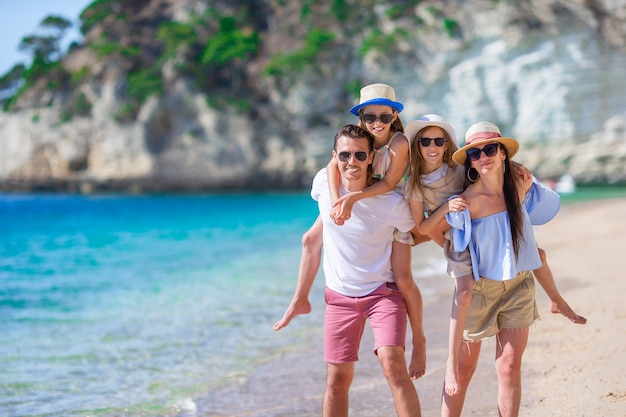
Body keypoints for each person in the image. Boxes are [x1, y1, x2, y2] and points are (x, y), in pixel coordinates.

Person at [404, 116, 587, 399]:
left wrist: (512, 167)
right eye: (475, 153)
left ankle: (556, 300)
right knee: (464, 294)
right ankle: (450, 363)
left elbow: (498, 172)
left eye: (490, 150)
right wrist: (445, 214)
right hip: (459, 243)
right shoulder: (422, 185)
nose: (482, 156)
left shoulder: (465, 171)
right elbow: (425, 228)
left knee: (536, 254)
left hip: (498, 246)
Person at [274, 83, 428, 381]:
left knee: (405, 279)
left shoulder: (397, 144)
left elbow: (386, 185)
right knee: (309, 239)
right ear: (361, 118)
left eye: (384, 117)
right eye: (370, 117)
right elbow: (334, 166)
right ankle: (300, 300)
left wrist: (352, 199)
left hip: (389, 205)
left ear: (395, 116)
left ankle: (419, 340)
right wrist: (337, 201)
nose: (377, 123)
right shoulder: (355, 142)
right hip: (351, 200)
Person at [313, 124, 421, 417]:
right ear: (335, 156)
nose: (352, 162)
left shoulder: (391, 204)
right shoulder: (323, 183)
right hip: (339, 297)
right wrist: (299, 296)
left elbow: (418, 231)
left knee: (393, 364)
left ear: (371, 157)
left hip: (382, 294)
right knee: (337, 380)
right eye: (345, 155)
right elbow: (313, 237)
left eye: (360, 155)